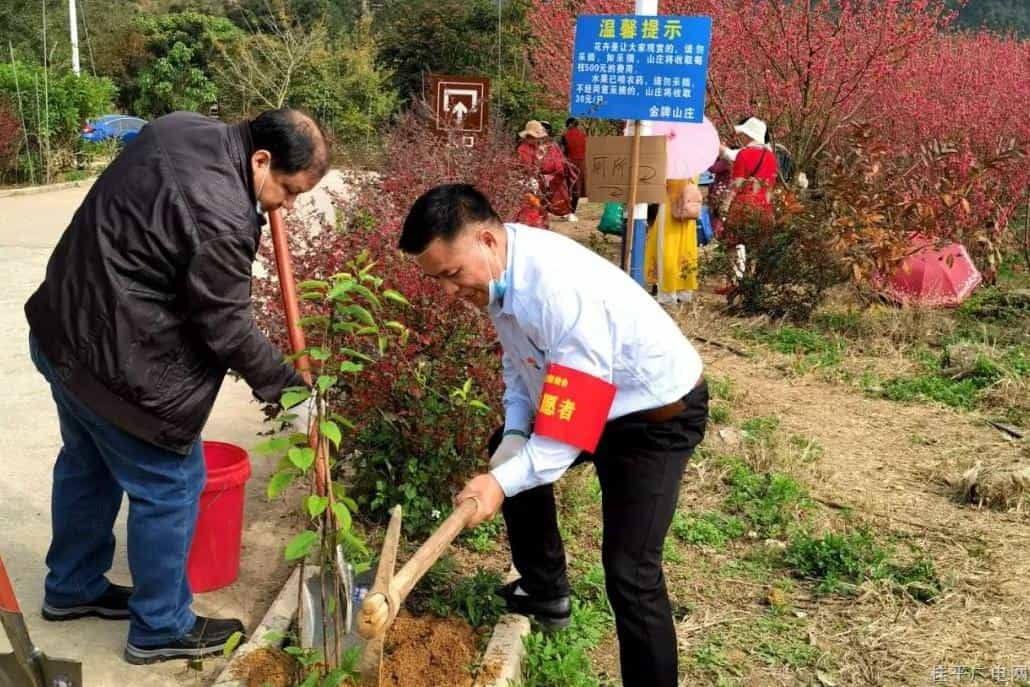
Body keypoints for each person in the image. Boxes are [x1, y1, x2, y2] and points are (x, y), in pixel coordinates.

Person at [24, 108, 329, 664]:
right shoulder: (224, 216)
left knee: (87, 462)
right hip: (115, 365)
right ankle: (160, 626)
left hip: (61, 328)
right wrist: (292, 393)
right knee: (171, 484)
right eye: (287, 191)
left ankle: (71, 586)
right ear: (260, 160)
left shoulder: (180, 126)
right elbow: (227, 327)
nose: (286, 206)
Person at [399, 184, 708, 687]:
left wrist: (501, 483)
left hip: (654, 419)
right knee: (510, 453)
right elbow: (521, 370)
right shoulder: (502, 278)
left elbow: (567, 434)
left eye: (452, 275)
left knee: (631, 573)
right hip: (596, 404)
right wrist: (517, 434)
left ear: (487, 241)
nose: (450, 292)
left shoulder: (559, 291)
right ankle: (545, 590)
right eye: (438, 281)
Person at [717, 116, 777, 286]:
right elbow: (770, 187)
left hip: (743, 204)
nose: (741, 137)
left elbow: (737, 182)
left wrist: (726, 203)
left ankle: (735, 281)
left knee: (733, 242)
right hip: (763, 206)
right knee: (756, 245)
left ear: (749, 135)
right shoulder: (771, 157)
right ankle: (752, 280)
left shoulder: (744, 154)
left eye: (743, 134)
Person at [516, 120, 578, 224]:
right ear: (529, 137)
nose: (538, 140)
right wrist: (539, 162)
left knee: (559, 190)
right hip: (530, 179)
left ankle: (565, 212)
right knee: (533, 201)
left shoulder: (541, 146)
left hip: (546, 177)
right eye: (536, 137)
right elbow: (528, 168)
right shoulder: (523, 149)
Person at [560, 117, 587, 216]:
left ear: (570, 125)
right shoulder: (584, 135)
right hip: (581, 164)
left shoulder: (565, 136)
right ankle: (572, 211)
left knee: (566, 187)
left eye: (567, 125)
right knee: (577, 187)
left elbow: (563, 151)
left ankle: (566, 210)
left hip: (569, 162)